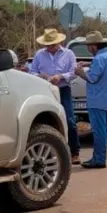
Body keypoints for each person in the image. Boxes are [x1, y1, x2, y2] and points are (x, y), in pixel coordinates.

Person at [29, 29, 82, 165]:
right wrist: (41, 76)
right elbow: (32, 71)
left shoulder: (69, 54)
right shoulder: (39, 55)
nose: (49, 47)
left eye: (52, 45)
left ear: (59, 43)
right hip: (44, 89)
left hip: (63, 89)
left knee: (70, 120)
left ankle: (74, 152)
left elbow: (74, 72)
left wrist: (61, 76)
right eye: (47, 45)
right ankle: (51, 152)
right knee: (45, 120)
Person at [73, 31, 107, 169]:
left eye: (89, 46)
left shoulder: (99, 59)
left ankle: (99, 159)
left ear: (94, 46)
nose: (88, 49)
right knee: (104, 130)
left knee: (98, 131)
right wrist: (90, 62)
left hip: (98, 100)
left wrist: (80, 73)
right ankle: (100, 157)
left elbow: (92, 78)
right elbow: (103, 64)